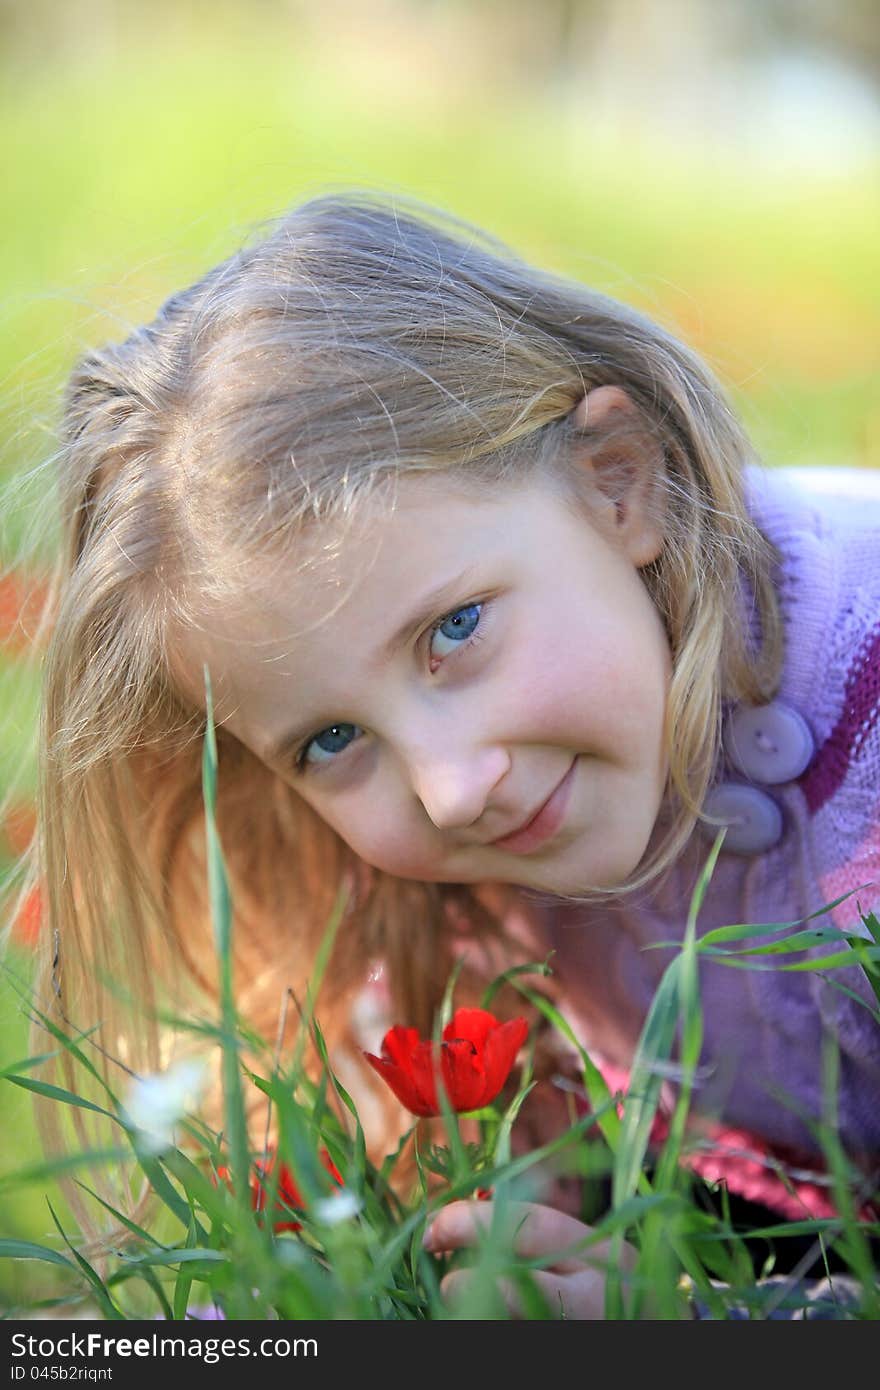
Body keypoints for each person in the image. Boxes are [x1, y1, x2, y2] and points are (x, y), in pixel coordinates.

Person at [2, 191, 878, 1318]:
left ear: (618, 482)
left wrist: (712, 1317)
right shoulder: (437, 877)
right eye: (329, 741)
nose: (451, 786)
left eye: (454, 630)